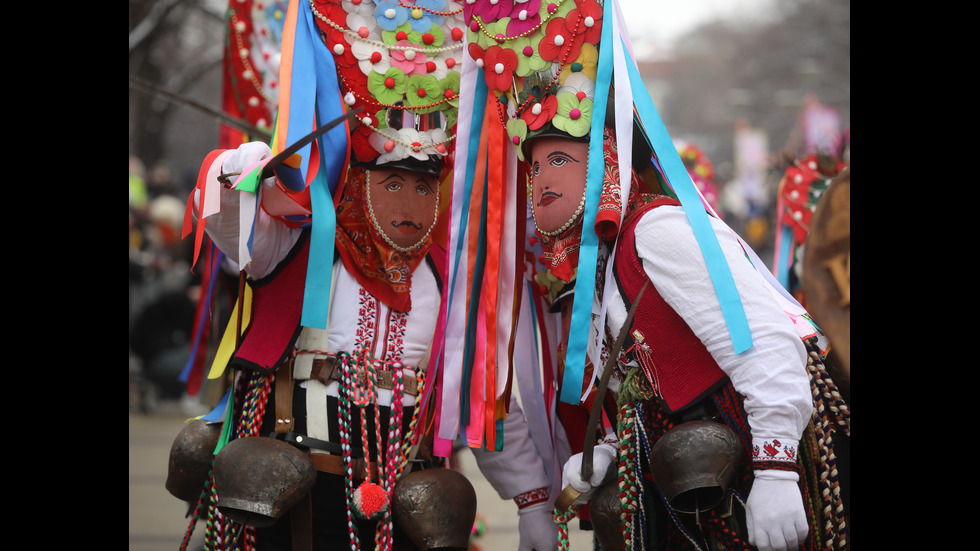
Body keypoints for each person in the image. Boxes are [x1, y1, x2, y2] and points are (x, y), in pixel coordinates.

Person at [451, 0, 850, 550]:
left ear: (608, 159)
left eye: (561, 161)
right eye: (535, 165)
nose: (541, 179)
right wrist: (608, 452)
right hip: (698, 493)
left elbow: (769, 343)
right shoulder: (600, 271)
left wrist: (777, 470)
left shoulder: (656, 231)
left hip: (757, 476)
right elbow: (643, 390)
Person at [175, 1, 559, 549]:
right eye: (394, 184)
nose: (412, 204)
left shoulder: (445, 285)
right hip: (289, 500)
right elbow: (231, 230)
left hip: (399, 510)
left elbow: (481, 396)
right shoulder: (304, 246)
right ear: (359, 185)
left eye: (426, 188)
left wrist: (533, 502)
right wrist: (235, 172)